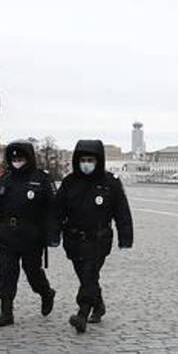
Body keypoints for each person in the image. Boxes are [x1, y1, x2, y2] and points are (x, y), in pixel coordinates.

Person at [57, 139, 132, 334]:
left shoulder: (110, 183)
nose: (86, 163)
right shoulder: (69, 182)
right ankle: (98, 305)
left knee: (90, 274)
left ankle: (82, 313)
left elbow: (121, 211)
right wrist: (52, 234)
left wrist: (126, 237)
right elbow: (57, 211)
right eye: (83, 159)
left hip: (98, 238)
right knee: (85, 276)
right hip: (73, 239)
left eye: (90, 159)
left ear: (98, 160)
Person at [0, 140, 58, 327]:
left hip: (32, 235)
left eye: (21, 157)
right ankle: (6, 311)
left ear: (29, 158)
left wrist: (51, 234)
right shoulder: (6, 179)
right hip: (7, 234)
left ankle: (46, 293)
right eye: (14, 157)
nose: (17, 160)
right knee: (6, 273)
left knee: (33, 272)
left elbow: (52, 210)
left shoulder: (41, 179)